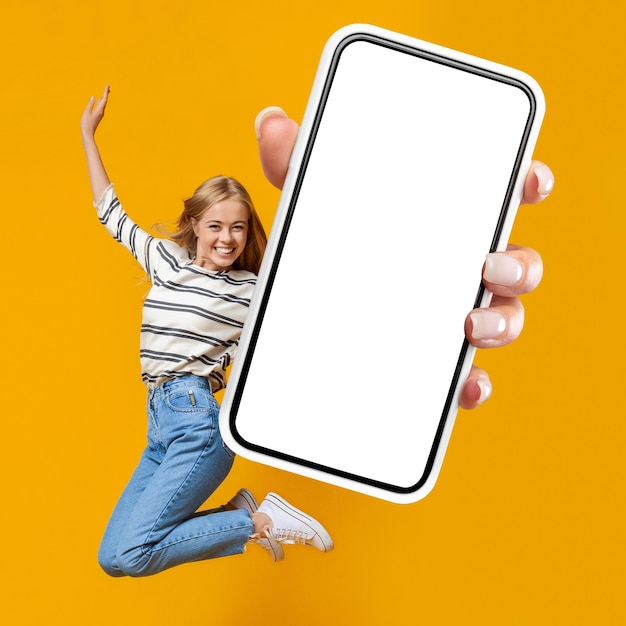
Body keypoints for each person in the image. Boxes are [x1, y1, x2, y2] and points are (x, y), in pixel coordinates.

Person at [81, 85, 554, 577]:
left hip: (198, 424)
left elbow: (326, 299)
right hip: (159, 422)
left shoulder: (252, 290)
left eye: (239, 228)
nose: (226, 239)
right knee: (113, 557)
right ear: (195, 224)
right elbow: (109, 212)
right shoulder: (165, 260)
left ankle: (257, 520)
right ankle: (246, 515)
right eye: (216, 226)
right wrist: (87, 135)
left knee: (134, 555)